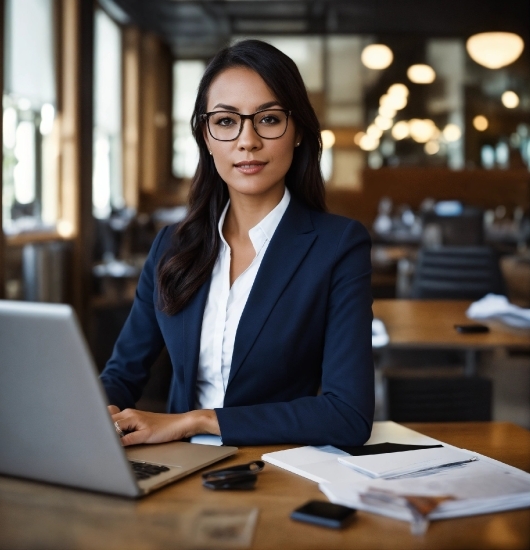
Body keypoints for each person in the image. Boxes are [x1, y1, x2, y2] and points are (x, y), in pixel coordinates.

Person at [100, 39, 374, 448]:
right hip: (179, 470)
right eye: (226, 122)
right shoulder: (171, 246)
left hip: (277, 470)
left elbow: (347, 415)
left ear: (297, 130)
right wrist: (93, 411)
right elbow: (121, 376)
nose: (247, 141)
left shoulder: (338, 246)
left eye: (268, 119)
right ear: (207, 138)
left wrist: (196, 421)